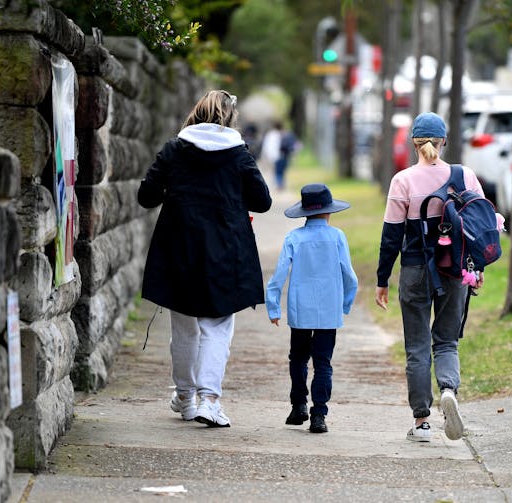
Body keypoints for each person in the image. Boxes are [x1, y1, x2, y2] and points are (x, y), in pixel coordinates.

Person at [138, 90, 272, 428]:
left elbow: (146, 196)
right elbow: (262, 201)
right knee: (217, 326)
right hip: (225, 250)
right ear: (229, 119)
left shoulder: (174, 149)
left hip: (179, 245)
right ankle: (209, 401)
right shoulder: (238, 154)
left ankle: (185, 398)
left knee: (184, 326)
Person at [374, 112, 485, 442]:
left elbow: (391, 236)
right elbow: (480, 225)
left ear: (413, 143)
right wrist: (474, 270)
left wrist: (383, 279)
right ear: (444, 141)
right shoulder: (465, 177)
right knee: (447, 340)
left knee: (418, 346)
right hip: (454, 269)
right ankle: (449, 389)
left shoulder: (403, 181)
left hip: (415, 269)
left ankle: (422, 422)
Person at [266, 184, 358, 434]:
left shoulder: (294, 237)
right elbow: (350, 276)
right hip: (329, 311)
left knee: (298, 358)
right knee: (323, 362)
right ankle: (319, 415)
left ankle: (298, 405)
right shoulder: (337, 236)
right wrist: (345, 304)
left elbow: (278, 275)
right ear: (329, 212)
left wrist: (273, 307)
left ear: (304, 212)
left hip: (300, 310)